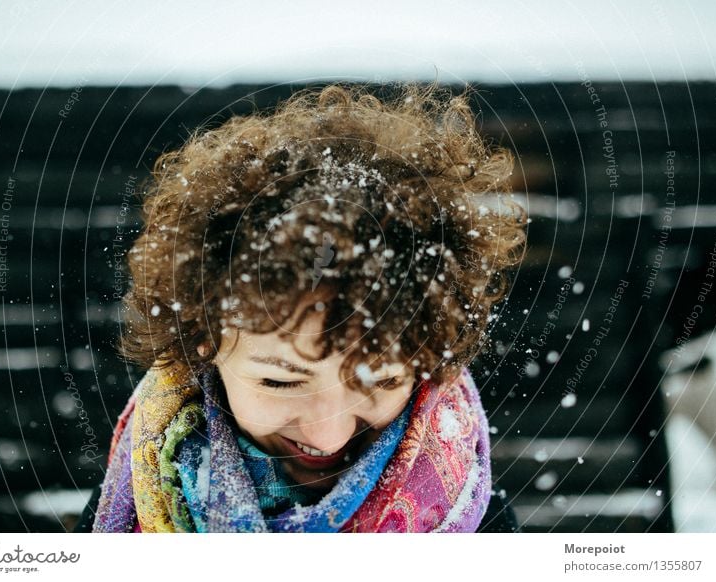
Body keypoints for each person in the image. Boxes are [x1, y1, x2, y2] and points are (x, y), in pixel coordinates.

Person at [77, 82, 526, 533]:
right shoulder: (132, 505)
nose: (327, 435)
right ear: (201, 343)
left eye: (382, 379)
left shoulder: (482, 525)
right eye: (281, 380)